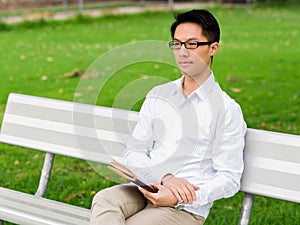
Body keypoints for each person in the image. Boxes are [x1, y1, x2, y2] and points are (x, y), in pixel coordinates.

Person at [90, 9, 246, 225]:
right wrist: (163, 178)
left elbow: (229, 179)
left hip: (185, 208)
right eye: (177, 44)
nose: (183, 52)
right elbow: (133, 152)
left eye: (192, 44)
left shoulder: (227, 109)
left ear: (213, 48)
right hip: (146, 188)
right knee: (105, 199)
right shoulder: (158, 95)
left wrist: (178, 195)